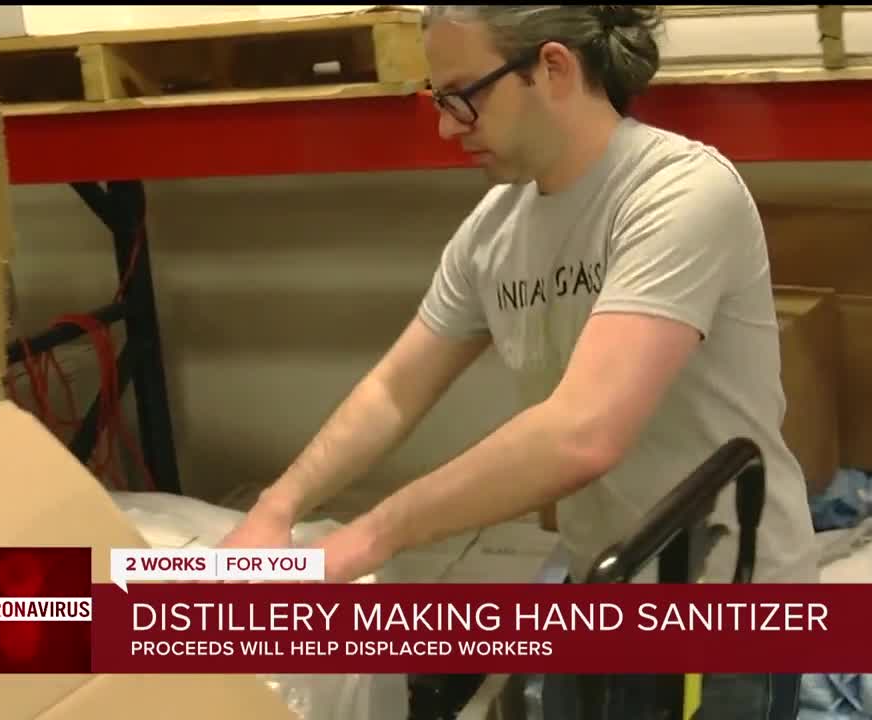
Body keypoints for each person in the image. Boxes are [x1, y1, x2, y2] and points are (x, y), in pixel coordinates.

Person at [222, 5, 815, 716]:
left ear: (553, 69)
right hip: (605, 583)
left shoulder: (680, 192)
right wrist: (276, 509)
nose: (447, 127)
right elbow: (394, 390)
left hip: (726, 600)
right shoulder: (493, 232)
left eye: (463, 96)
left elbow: (582, 432)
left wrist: (364, 540)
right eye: (440, 100)